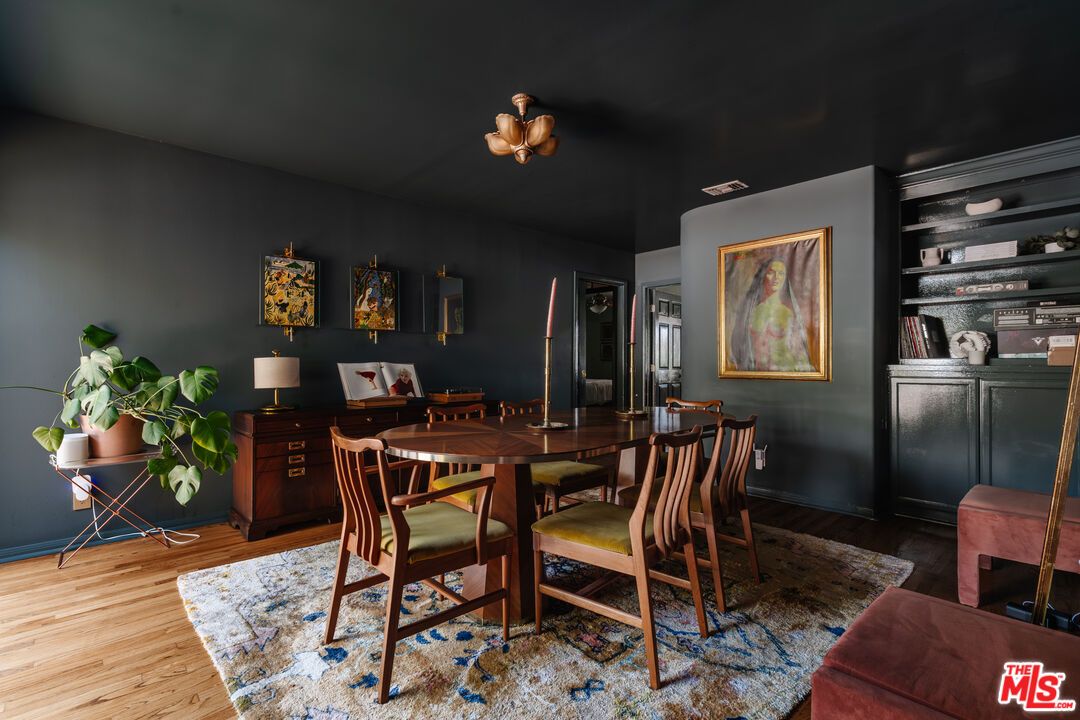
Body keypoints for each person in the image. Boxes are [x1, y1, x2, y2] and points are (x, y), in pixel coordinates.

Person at [729, 257, 813, 372]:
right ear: (763, 277)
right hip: (755, 374)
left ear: (785, 278)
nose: (776, 278)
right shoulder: (748, 312)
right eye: (771, 273)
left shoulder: (788, 314)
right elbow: (738, 347)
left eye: (781, 274)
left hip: (785, 372)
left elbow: (800, 353)